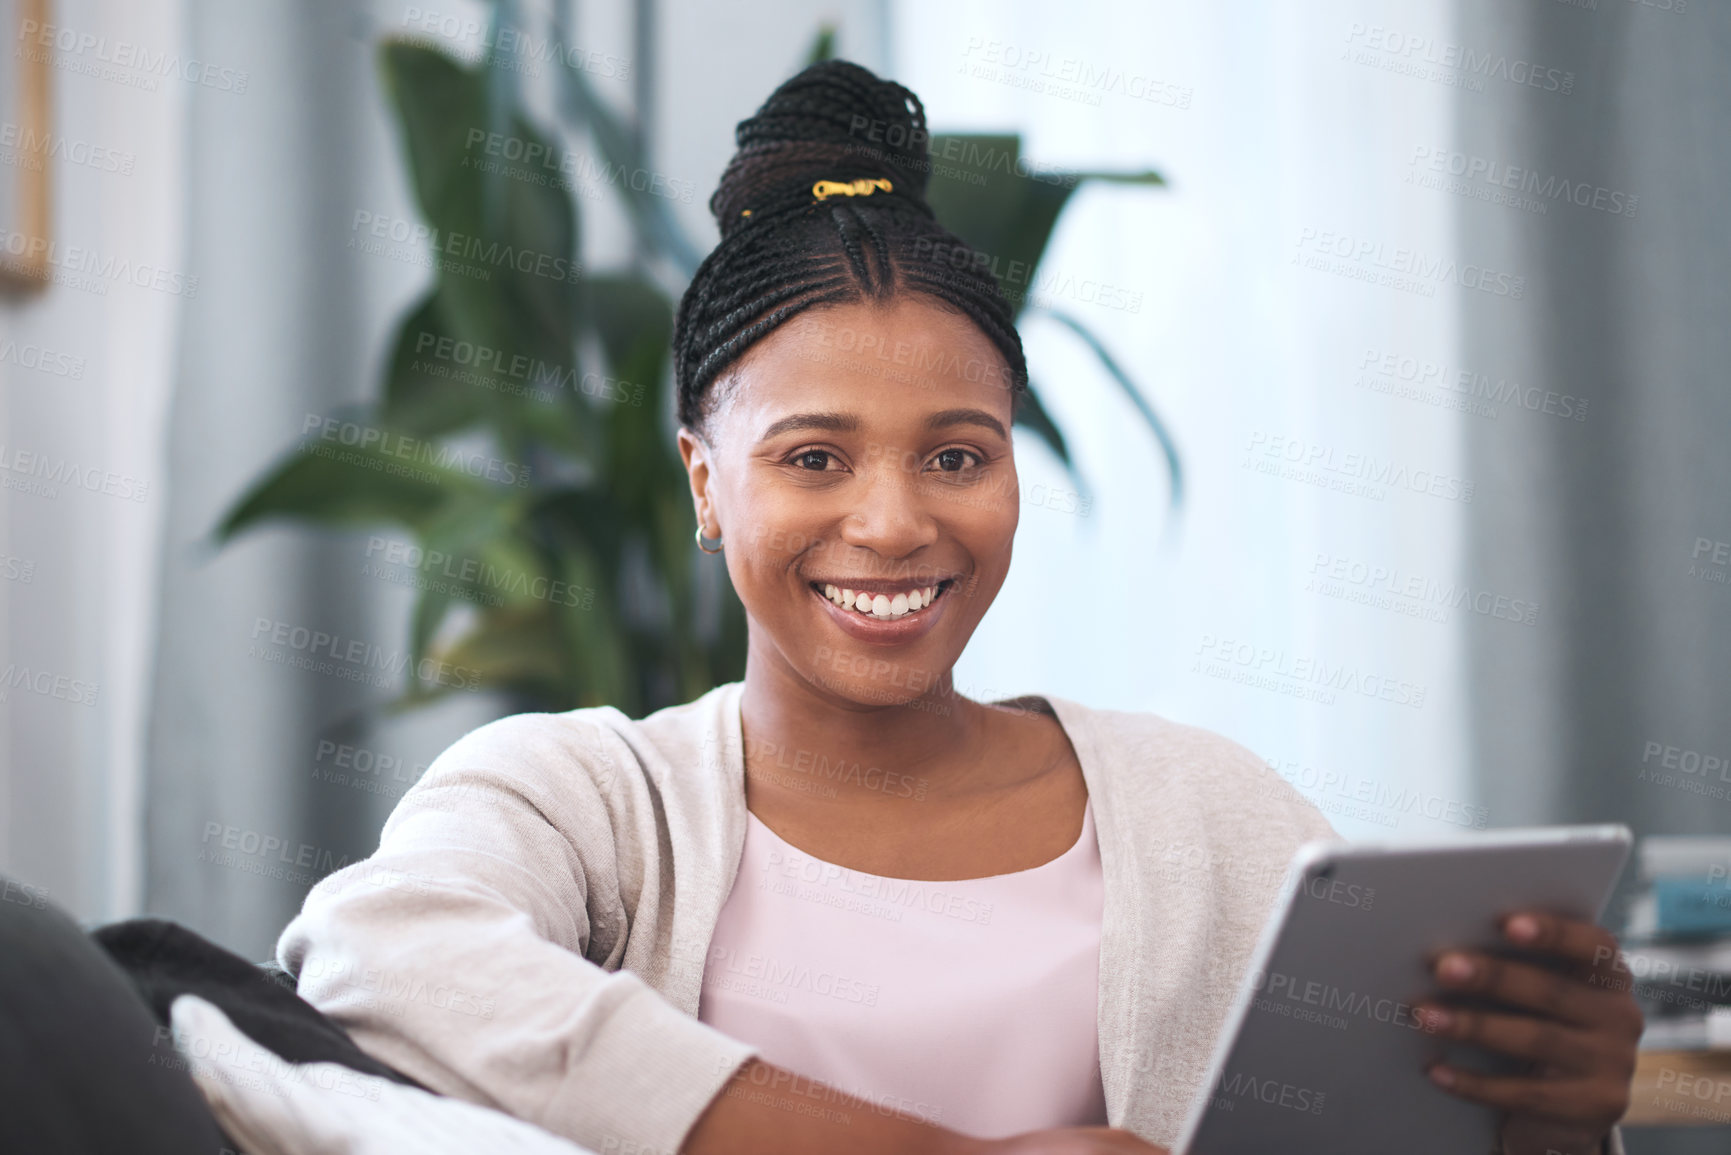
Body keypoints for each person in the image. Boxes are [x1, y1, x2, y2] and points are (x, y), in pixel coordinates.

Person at [275, 58, 1642, 1155]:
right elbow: (376, 958)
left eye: (956, 456)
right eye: (814, 457)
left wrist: (1539, 1120)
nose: (893, 522)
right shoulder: (581, 797)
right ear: (704, 482)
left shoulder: (1209, 817)